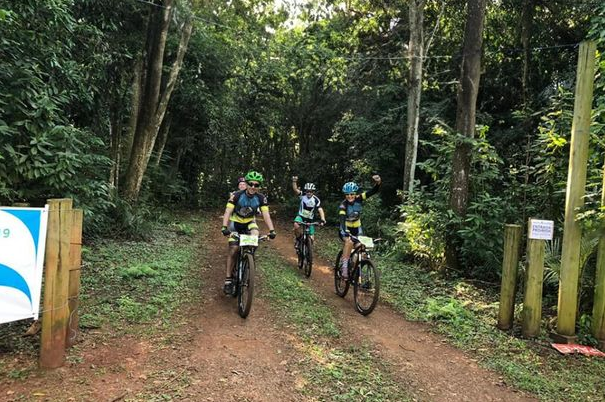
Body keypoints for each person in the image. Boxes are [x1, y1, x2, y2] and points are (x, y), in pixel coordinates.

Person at [221, 170, 276, 294]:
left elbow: (266, 215)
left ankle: (248, 258)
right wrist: (224, 227)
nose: (253, 187)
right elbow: (227, 212)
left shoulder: (261, 198)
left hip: (249, 223)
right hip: (235, 224)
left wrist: (272, 230)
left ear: (259, 186)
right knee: (233, 249)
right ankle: (228, 279)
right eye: (251, 184)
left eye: (256, 185)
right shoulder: (236, 195)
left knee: (255, 235)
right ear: (246, 184)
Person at [338, 174, 382, 279]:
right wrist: (345, 231)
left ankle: (355, 269)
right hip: (345, 229)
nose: (350, 196)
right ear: (345, 195)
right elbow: (342, 219)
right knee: (349, 242)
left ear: (355, 194)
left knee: (362, 249)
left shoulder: (359, 199)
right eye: (347, 194)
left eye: (352, 194)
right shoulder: (343, 205)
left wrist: (378, 183)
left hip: (357, 229)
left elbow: (372, 192)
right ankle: (344, 267)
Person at [291, 176, 326, 250]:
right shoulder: (302, 195)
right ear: (305, 191)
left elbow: (320, 209)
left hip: (310, 220)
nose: (309, 193)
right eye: (307, 191)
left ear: (313, 192)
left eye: (311, 191)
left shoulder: (316, 200)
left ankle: (308, 252)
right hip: (301, 216)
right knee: (296, 225)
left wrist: (322, 219)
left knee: (312, 239)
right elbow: (295, 190)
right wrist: (294, 181)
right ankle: (298, 239)